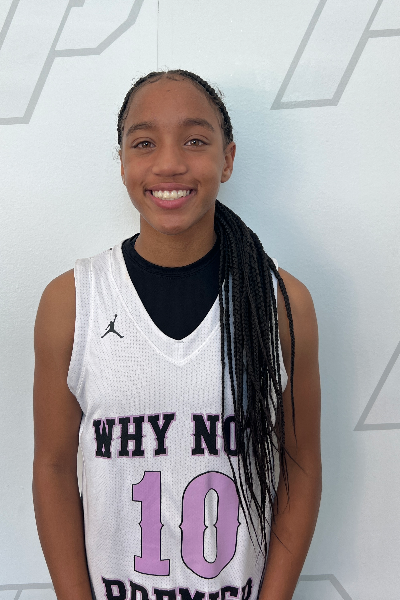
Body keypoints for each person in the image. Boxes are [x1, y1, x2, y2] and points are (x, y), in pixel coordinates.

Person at [33, 70, 321, 600]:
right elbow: (52, 467)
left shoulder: (281, 302)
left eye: (194, 140)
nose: (168, 163)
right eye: (144, 142)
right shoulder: (72, 301)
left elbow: (300, 465)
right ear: (122, 162)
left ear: (227, 159)